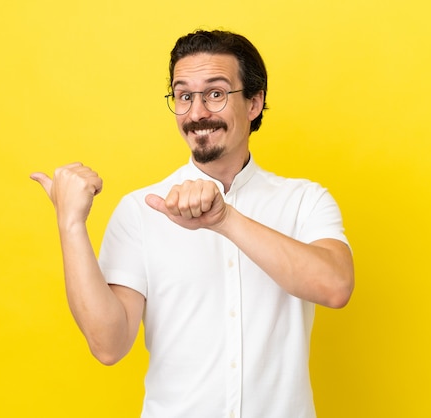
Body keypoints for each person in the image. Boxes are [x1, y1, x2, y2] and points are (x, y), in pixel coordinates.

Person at [31, 29, 354, 418]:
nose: (197, 113)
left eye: (215, 94)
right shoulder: (140, 210)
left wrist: (224, 220)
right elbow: (108, 345)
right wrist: (71, 224)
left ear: (254, 102)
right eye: (184, 96)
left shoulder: (305, 200)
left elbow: (335, 286)